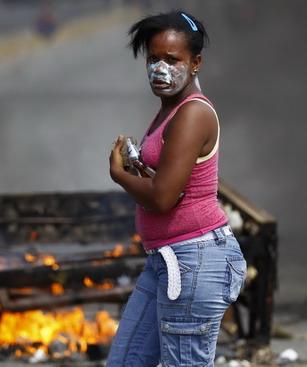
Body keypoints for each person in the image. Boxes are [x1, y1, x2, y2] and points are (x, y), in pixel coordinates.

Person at [108, 10, 247, 367]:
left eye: (173, 59)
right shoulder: (169, 110)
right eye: (153, 58)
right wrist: (140, 166)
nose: (160, 68)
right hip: (166, 262)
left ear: (195, 63)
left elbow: (163, 198)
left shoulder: (192, 113)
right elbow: (167, 179)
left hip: (194, 261)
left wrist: (119, 175)